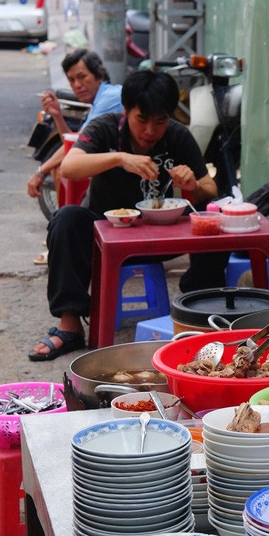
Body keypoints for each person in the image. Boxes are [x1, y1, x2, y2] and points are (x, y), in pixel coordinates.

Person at [28, 69, 218, 361]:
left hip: (161, 239)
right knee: (66, 219)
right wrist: (119, 158)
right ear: (126, 111)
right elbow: (69, 167)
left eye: (160, 121)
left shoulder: (178, 136)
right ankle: (70, 325)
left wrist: (192, 184)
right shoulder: (105, 129)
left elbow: (210, 186)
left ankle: (196, 312)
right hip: (104, 236)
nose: (151, 131)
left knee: (213, 219)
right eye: (142, 120)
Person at [27, 49, 123, 263]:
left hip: (124, 171)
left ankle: (67, 242)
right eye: (72, 80)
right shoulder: (99, 100)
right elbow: (75, 145)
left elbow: (77, 146)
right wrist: (57, 115)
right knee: (59, 168)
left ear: (99, 75)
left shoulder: (110, 97)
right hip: (111, 164)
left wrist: (40, 172)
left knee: (64, 171)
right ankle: (64, 236)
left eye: (82, 77)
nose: (77, 85)